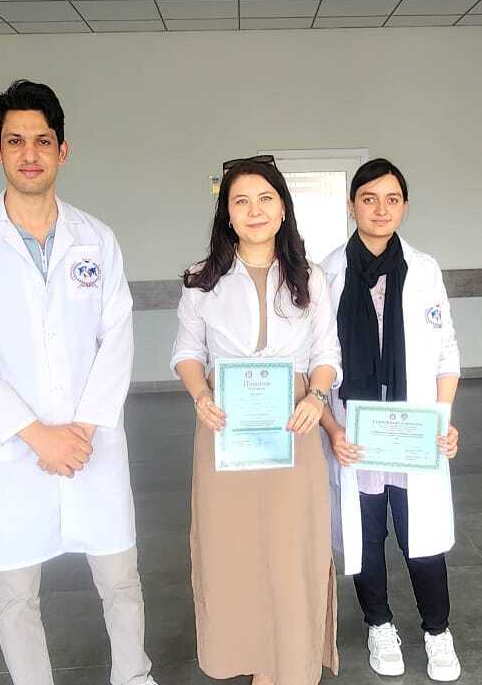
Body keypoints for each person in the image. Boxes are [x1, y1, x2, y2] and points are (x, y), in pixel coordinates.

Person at [0, 79, 157, 685]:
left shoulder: (97, 240)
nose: (29, 153)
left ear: (63, 150)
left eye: (41, 140)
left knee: (121, 578)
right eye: (16, 141)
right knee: (14, 593)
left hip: (91, 441)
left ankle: (133, 675)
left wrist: (79, 430)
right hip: (13, 447)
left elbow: (117, 338)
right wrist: (39, 436)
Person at [170, 156, 342, 685]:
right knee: (232, 548)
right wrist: (200, 395)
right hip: (225, 426)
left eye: (266, 198)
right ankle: (247, 657)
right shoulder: (202, 279)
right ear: (226, 213)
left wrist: (317, 396)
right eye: (240, 201)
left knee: (292, 547)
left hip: (293, 425)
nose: (254, 210)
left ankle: (287, 664)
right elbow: (186, 352)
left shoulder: (310, 278)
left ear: (284, 208)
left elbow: (326, 354)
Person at [318, 158, 462, 682]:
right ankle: (378, 624)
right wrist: (332, 428)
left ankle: (437, 631)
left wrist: (443, 421)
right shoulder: (325, 274)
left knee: (420, 533)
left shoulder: (424, 270)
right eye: (369, 198)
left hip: (413, 426)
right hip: (354, 428)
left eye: (392, 199)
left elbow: (446, 353)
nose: (381, 210)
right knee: (366, 533)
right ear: (351, 205)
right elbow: (316, 359)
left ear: (404, 206)